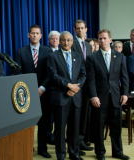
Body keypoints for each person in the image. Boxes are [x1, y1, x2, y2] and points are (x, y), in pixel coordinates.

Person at [86, 29, 129, 160]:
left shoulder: (120, 56)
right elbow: (90, 80)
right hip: (99, 98)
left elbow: (124, 77)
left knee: (116, 127)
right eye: (100, 38)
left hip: (116, 98)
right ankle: (100, 152)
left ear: (110, 40)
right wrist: (93, 96)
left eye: (104, 38)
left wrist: (125, 94)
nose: (102, 41)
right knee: (99, 127)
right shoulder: (92, 57)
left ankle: (117, 151)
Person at [47, 31, 86, 160]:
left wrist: (75, 89)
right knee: (59, 129)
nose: (66, 42)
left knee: (74, 129)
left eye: (68, 40)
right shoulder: (53, 56)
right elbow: (53, 75)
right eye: (63, 40)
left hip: (75, 98)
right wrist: (69, 85)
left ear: (72, 41)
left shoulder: (78, 56)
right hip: (60, 98)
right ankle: (61, 155)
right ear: (59, 41)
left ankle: (74, 154)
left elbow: (83, 75)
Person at [16, 25, 52, 158]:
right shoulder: (21, 51)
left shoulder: (48, 51)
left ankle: (42, 149)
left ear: (41, 36)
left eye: (37, 33)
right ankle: (27, 147)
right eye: (32, 33)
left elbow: (51, 73)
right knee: (27, 123)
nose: (35, 35)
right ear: (28, 35)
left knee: (44, 123)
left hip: (44, 92)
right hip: (26, 93)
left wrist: (42, 88)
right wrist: (29, 88)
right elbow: (17, 71)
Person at [71, 19, 93, 155]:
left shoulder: (89, 46)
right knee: (75, 116)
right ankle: (75, 144)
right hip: (76, 85)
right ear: (74, 30)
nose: (80, 30)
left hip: (87, 86)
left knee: (85, 114)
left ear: (86, 29)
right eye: (77, 28)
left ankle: (81, 140)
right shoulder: (71, 43)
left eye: (82, 28)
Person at [46, 30, 60, 145]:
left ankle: (57, 136)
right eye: (52, 38)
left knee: (59, 116)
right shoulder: (45, 52)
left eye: (56, 38)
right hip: (48, 89)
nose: (55, 40)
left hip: (60, 88)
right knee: (49, 115)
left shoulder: (63, 52)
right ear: (48, 40)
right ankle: (49, 136)